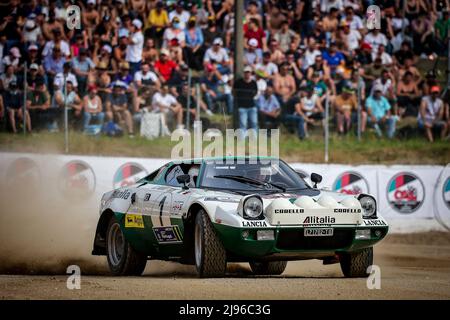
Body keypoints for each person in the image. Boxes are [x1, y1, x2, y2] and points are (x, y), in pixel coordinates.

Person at [233, 66, 258, 137]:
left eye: (248, 72)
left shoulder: (253, 83)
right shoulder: (238, 82)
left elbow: (255, 92)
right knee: (243, 124)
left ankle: (254, 139)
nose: (247, 74)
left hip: (252, 106)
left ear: (250, 73)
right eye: (246, 72)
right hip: (242, 107)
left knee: (254, 123)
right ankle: (242, 139)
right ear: (244, 73)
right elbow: (234, 92)